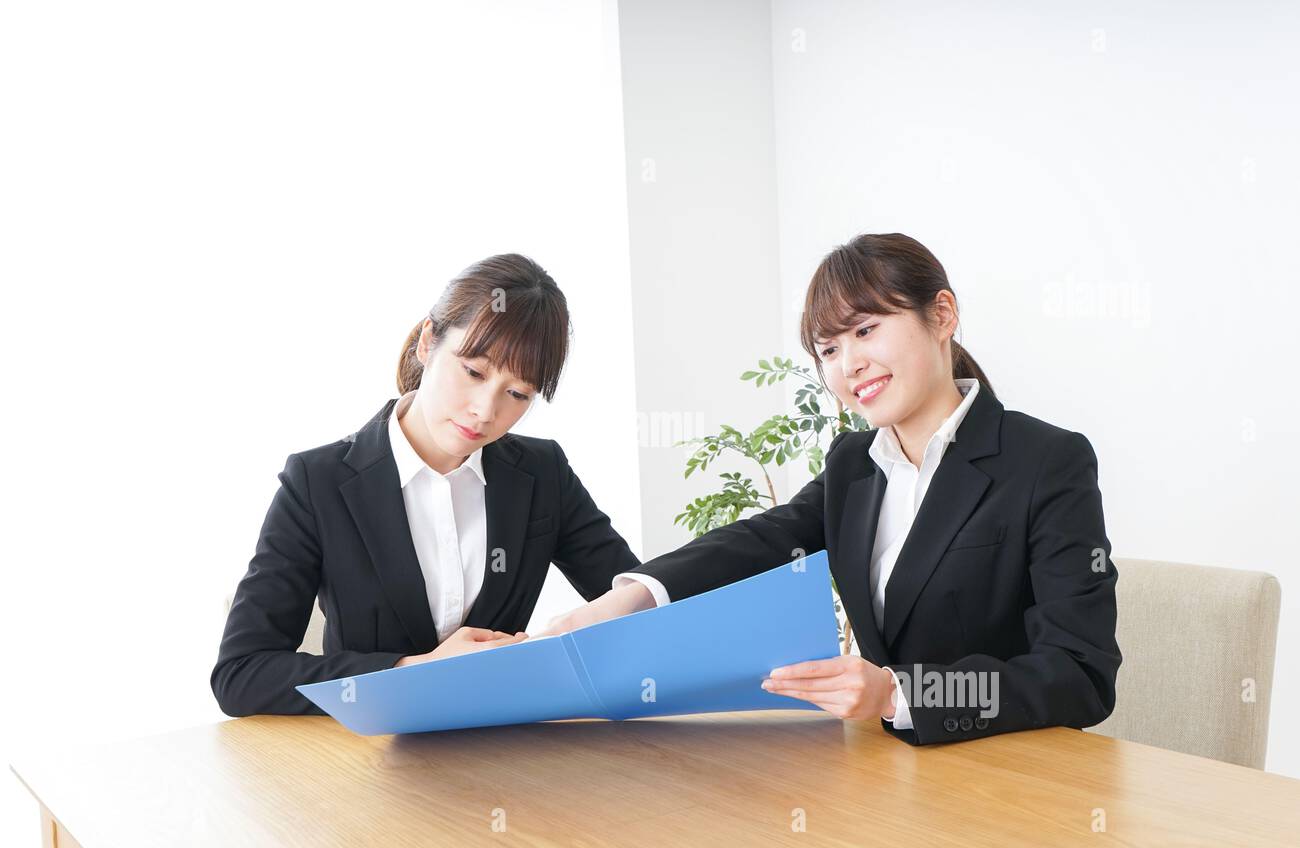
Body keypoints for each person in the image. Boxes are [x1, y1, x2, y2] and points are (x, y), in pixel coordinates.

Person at [536, 233, 1121, 745]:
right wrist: (632, 598)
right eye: (829, 350)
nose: (849, 366)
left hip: (1012, 777)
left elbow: (1079, 676)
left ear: (942, 315)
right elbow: (763, 540)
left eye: (866, 330)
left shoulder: (1046, 461)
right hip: (886, 773)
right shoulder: (854, 464)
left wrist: (897, 695)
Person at [212, 253, 640, 716]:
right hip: (370, 764)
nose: (484, 410)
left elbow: (639, 604)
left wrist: (561, 642)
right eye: (473, 372)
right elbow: (242, 674)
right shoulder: (317, 482)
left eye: (517, 394)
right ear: (427, 342)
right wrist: (415, 670)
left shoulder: (542, 473)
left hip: (505, 752)